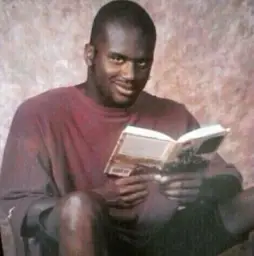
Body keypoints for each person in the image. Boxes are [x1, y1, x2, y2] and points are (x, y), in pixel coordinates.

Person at [0, 1, 253, 256]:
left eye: (142, 63)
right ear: (90, 55)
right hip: (91, 239)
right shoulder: (39, 113)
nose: (130, 74)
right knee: (79, 207)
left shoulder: (174, 113)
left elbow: (230, 180)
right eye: (117, 59)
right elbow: (16, 209)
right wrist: (98, 199)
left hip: (163, 242)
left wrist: (200, 188)